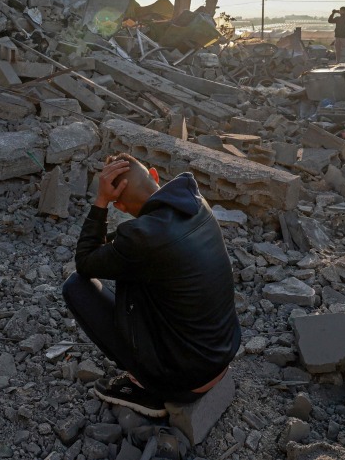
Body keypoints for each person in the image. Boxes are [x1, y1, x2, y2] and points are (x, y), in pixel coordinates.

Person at [62, 153, 241, 417]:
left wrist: (100, 201)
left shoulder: (142, 238)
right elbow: (124, 245)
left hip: (185, 381)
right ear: (155, 176)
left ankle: (148, 388)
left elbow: (85, 263)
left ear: (119, 207)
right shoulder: (195, 201)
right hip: (220, 356)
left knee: (75, 287)